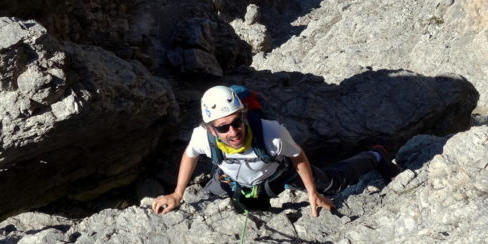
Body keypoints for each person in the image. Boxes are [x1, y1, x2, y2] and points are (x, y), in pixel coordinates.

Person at [151, 85, 393, 217]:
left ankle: (375, 155)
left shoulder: (271, 132)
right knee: (205, 201)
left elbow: (297, 155)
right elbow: (190, 154)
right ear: (212, 129)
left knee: (332, 184)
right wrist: (177, 193)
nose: (233, 132)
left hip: (278, 176)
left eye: (237, 122)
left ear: (244, 116)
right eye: (223, 127)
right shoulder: (202, 136)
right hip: (230, 179)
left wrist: (311, 192)